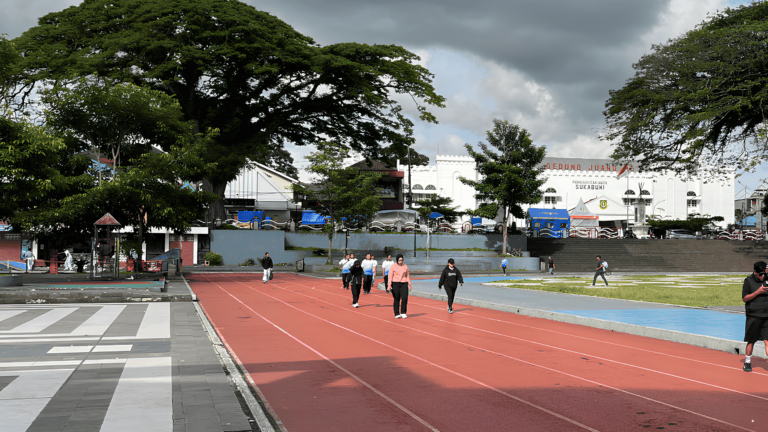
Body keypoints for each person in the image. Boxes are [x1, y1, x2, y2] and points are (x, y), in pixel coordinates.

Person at [742, 261, 768, 372]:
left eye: (764, 273)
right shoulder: (748, 281)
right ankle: (747, 362)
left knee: (767, 341)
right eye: (761, 274)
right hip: (754, 315)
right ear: (755, 272)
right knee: (751, 341)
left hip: (766, 316)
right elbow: (745, 298)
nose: (763, 276)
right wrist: (757, 292)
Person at [388, 254, 412, 318]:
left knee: (404, 298)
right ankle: (396, 313)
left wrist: (409, 284)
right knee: (397, 298)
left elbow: (407, 276)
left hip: (404, 283)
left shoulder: (405, 266)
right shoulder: (393, 266)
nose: (400, 262)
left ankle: (403, 312)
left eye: (401, 260)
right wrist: (389, 285)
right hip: (395, 283)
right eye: (399, 260)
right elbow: (390, 276)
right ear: (397, 260)